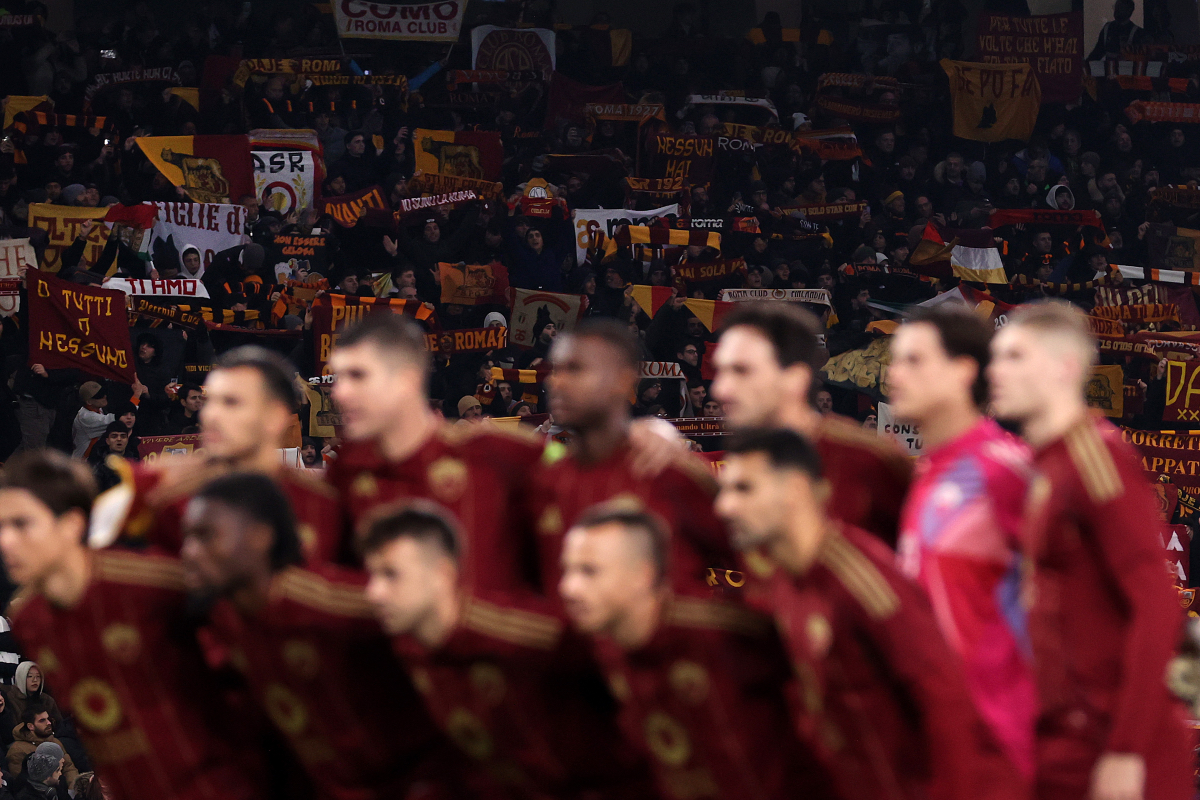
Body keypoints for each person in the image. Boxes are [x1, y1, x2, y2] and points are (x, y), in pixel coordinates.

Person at [714, 428, 1024, 800]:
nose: (725, 507)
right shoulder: (782, 586)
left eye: (744, 489)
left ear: (795, 489)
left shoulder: (859, 575)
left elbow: (946, 700)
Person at [987, 300, 1194, 800]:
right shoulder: (1044, 466)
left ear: (1066, 368)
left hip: (1111, 747)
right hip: (1062, 739)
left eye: (1016, 357)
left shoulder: (1095, 457)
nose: (995, 370)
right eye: (996, 356)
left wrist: (1125, 750)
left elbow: (1157, 607)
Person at [326, 314, 684, 592]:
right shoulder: (346, 471)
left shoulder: (497, 454)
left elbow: (587, 470)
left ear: (405, 378)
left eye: (356, 376)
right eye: (337, 378)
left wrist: (657, 430)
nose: (338, 393)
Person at [0, 450, 263, 800]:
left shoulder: (151, 583)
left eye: (22, 524)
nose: (6, 542)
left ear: (72, 525)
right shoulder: (29, 619)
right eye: (1, 525)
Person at [179, 473, 446, 800]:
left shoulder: (337, 606)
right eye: (187, 538)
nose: (190, 552)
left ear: (260, 537)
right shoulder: (226, 621)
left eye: (205, 536)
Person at [361, 504, 653, 799]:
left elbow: (608, 656)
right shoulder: (408, 648)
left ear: (442, 573)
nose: (373, 593)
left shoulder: (511, 629)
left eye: (391, 575)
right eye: (371, 575)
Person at [558, 505, 836, 800]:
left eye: (588, 571)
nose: (567, 588)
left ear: (643, 575)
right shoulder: (604, 646)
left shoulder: (722, 631)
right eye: (566, 570)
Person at [887, 306, 1037, 782]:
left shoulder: (1006, 472)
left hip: (1005, 752)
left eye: (913, 360)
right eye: (894, 360)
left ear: (963, 371)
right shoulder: (926, 477)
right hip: (939, 750)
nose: (893, 374)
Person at [535, 318, 734, 595]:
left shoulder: (670, 474)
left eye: (576, 369)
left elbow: (755, 565)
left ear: (623, 379)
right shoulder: (542, 482)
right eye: (555, 370)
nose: (557, 382)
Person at [99, 346, 344, 565]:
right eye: (210, 402)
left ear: (276, 417)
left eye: (231, 402)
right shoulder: (157, 489)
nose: (210, 415)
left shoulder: (322, 504)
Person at [711, 302, 911, 545]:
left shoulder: (869, 460)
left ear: (795, 378)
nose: (720, 389)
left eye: (741, 371)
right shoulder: (735, 463)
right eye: (719, 371)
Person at [4, 705, 77, 787]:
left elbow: (69, 768)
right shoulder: (17, 750)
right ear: (30, 726)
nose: (49, 723)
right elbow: (23, 782)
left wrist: (73, 789)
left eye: (48, 719)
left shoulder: (55, 741)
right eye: (42, 720)